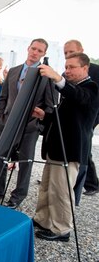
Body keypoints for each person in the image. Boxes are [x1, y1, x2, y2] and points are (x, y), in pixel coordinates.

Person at [33, 53, 99, 241]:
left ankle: (61, 229)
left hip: (70, 150)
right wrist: (44, 115)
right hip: (57, 148)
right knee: (47, 186)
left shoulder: (91, 88)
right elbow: (64, 117)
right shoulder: (72, 89)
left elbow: (80, 98)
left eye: (71, 67)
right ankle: (43, 219)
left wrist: (57, 78)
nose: (67, 70)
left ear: (85, 68)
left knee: (61, 190)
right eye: (66, 67)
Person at [0, 38, 53, 209]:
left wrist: (38, 123)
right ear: (28, 48)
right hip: (6, 124)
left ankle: (18, 196)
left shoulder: (46, 76)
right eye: (33, 48)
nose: (35, 52)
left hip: (29, 128)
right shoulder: (14, 71)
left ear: (44, 54)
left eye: (39, 51)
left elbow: (50, 105)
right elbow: (3, 97)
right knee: (0, 157)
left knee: (25, 163)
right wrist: (1, 118)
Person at [63, 40, 99, 199]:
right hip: (71, 121)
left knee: (84, 153)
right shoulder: (67, 73)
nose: (68, 56)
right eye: (65, 53)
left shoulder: (96, 71)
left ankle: (88, 185)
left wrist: (92, 121)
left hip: (89, 119)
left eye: (71, 52)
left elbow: (90, 97)